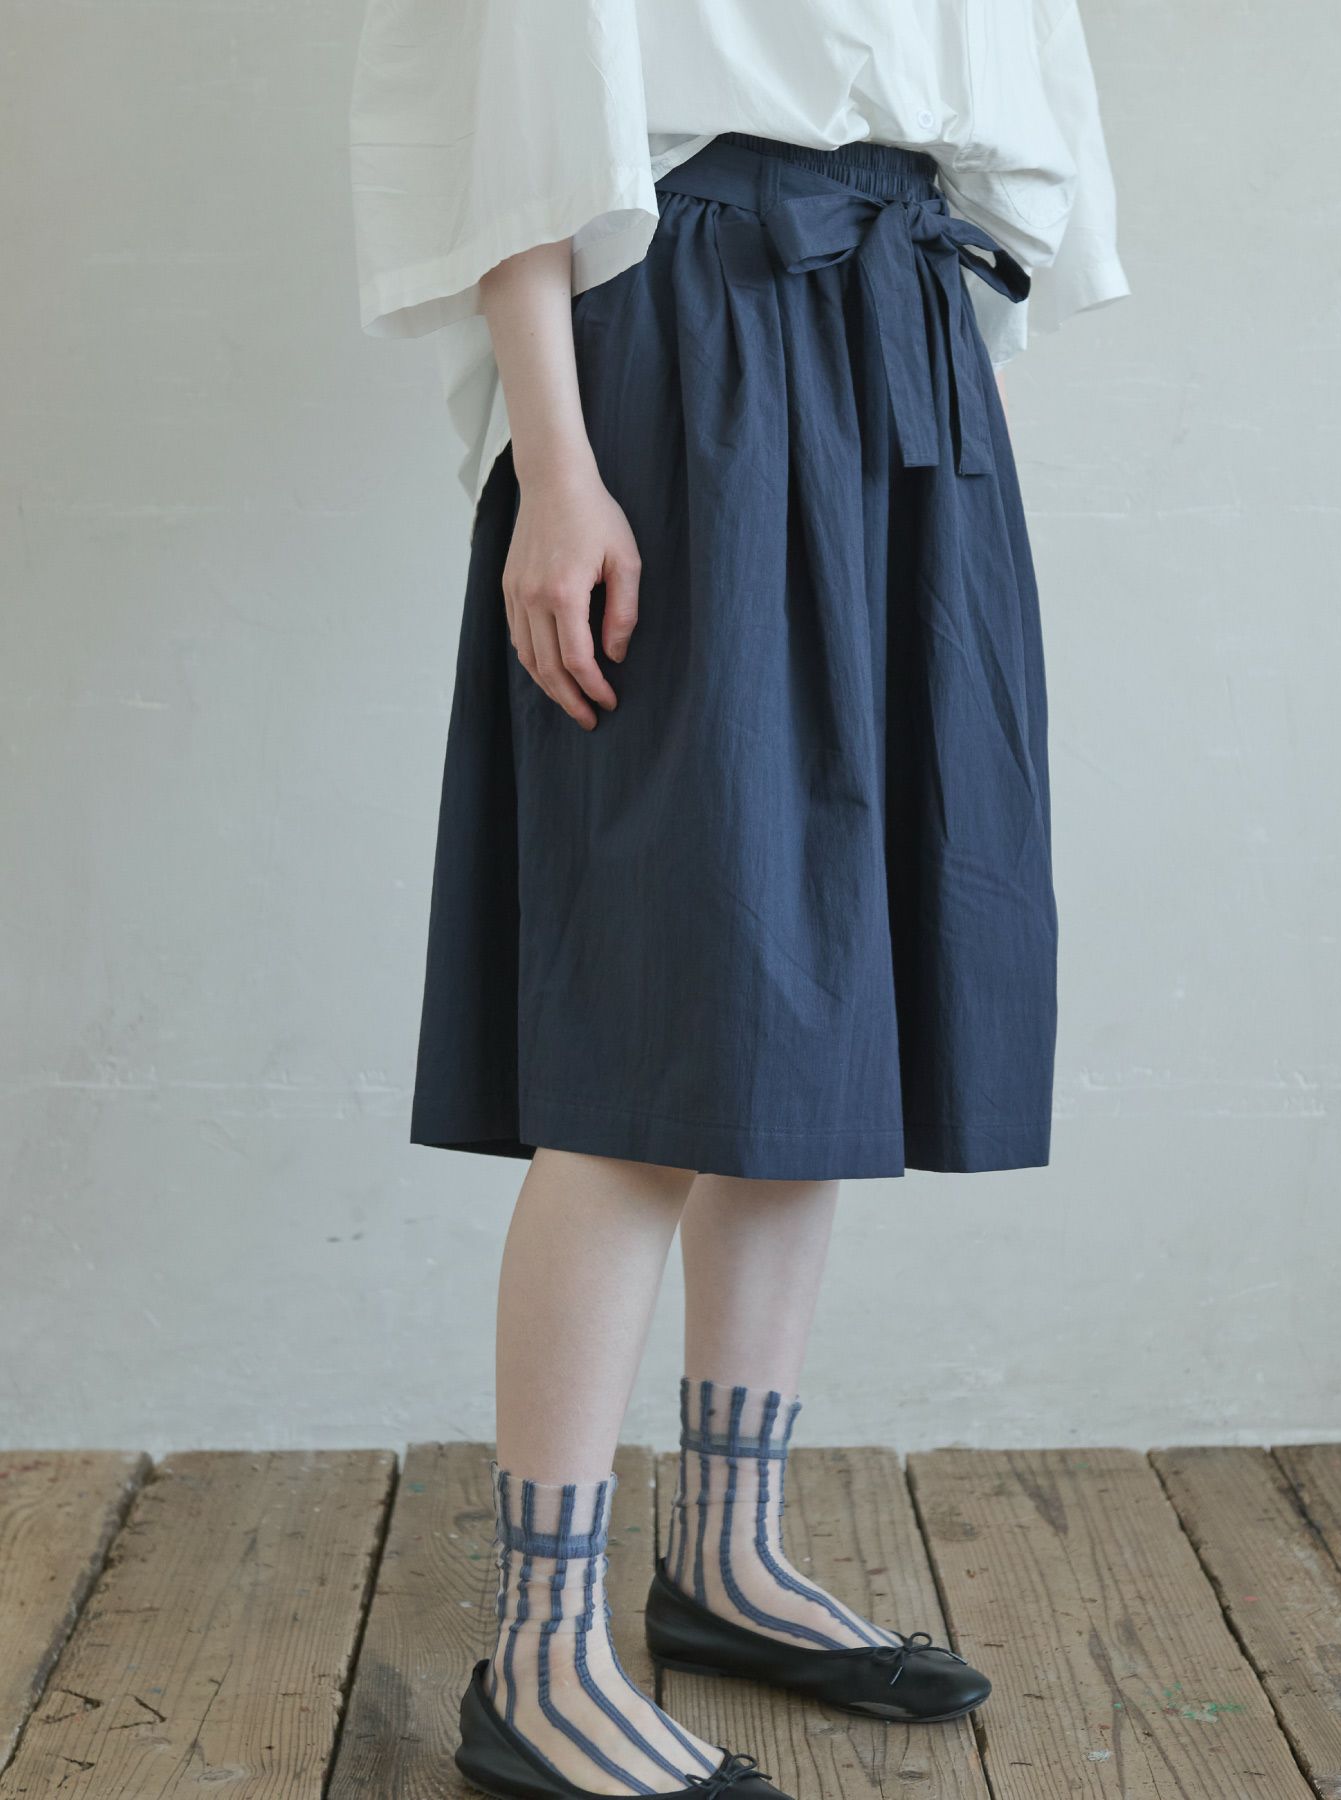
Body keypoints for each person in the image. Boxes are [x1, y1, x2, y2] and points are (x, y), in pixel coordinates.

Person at [350, 5, 1126, 1796]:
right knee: (667, 1001)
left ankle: (727, 1557)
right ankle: (541, 1654)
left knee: (818, 993)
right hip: (688, 341)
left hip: (899, 334)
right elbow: (509, 108)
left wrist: (947, 380)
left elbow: (1003, 113)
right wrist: (557, 470)